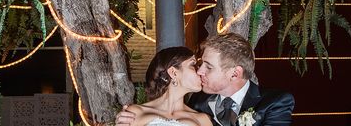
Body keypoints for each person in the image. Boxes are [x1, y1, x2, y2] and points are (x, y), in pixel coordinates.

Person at [118, 33, 295, 126]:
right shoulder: (199, 102)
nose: (200, 71)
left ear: (234, 74)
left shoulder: (275, 103)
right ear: (173, 73)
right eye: (197, 65)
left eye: (208, 67)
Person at [123, 46, 213, 126]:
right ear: (173, 73)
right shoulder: (136, 113)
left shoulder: (202, 119)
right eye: (193, 64)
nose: (200, 71)